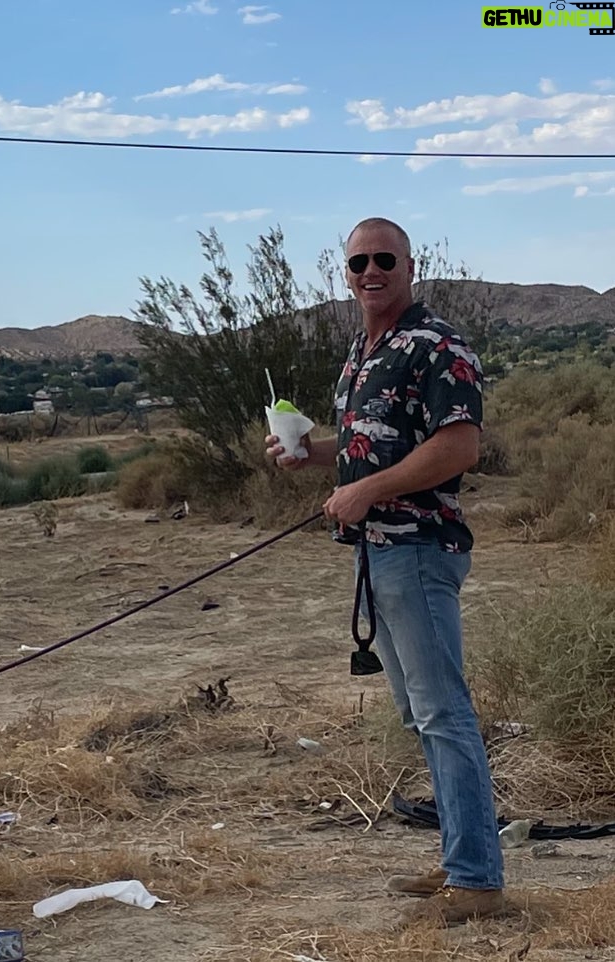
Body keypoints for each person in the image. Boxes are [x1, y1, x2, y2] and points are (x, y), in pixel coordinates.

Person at [266, 217, 504, 927]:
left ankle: (478, 881)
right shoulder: (364, 351)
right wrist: (312, 455)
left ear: (410, 265)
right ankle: (463, 861)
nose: (370, 271)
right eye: (357, 263)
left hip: (419, 549)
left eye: (384, 260)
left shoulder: (436, 345)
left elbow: (459, 446)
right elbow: (371, 441)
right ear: (345, 273)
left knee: (443, 714)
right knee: (421, 715)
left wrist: (368, 490)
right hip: (379, 551)